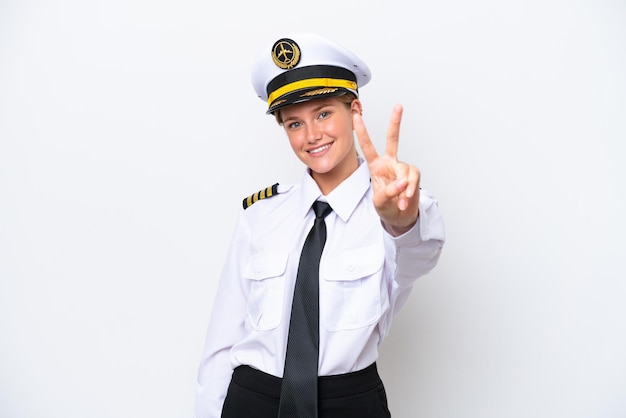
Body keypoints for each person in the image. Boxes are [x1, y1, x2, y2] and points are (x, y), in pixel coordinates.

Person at [193, 33, 445, 418]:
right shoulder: (259, 216)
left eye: (324, 113)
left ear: (355, 111)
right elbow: (222, 343)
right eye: (294, 123)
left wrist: (401, 220)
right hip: (252, 400)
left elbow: (418, 254)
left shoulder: (395, 208)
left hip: (348, 403)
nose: (311, 136)